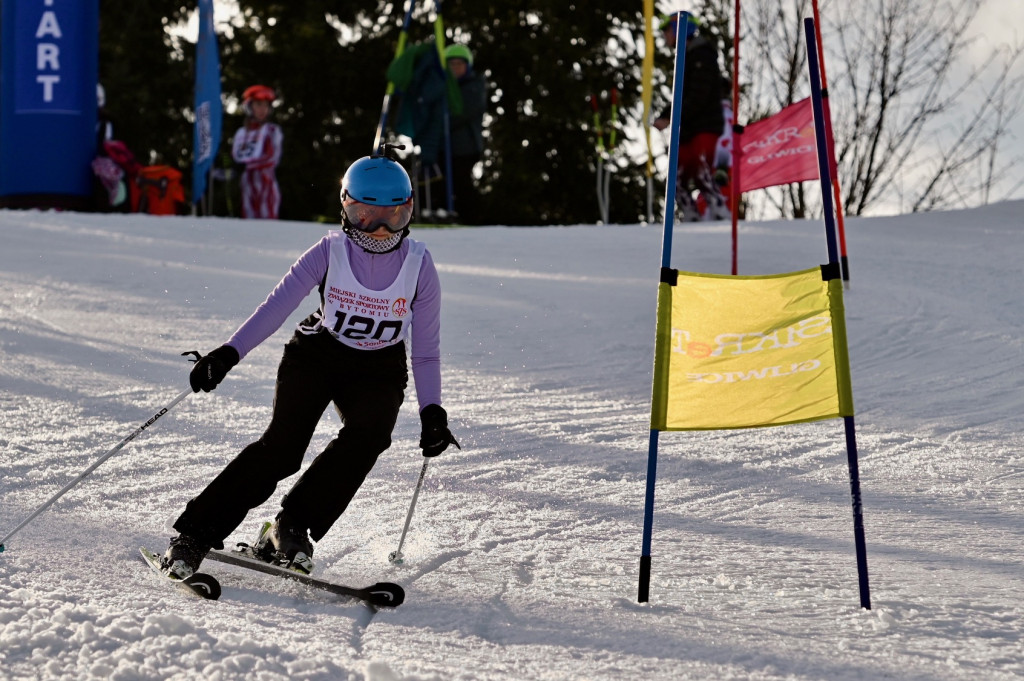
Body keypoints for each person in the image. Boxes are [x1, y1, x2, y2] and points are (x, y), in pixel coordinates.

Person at [160, 153, 460, 579]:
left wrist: (433, 411)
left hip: (379, 365)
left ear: (409, 210)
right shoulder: (328, 251)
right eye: (364, 214)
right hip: (317, 354)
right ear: (346, 208)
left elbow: (427, 351)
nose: (378, 230)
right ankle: (193, 535)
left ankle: (291, 526)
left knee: (370, 435)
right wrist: (229, 353)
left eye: (392, 216)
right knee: (281, 449)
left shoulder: (418, 265)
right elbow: (275, 307)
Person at [653, 14, 729, 222]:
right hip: (687, 128)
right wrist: (664, 115)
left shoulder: (702, 56)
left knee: (701, 169)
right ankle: (692, 217)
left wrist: (670, 118)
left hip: (704, 125)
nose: (665, 36)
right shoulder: (685, 58)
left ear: (679, 30)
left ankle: (720, 212)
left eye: (667, 30)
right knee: (675, 179)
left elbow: (698, 94)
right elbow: (680, 95)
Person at [441, 44, 487, 224]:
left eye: (460, 64)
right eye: (451, 64)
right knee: (441, 181)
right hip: (445, 146)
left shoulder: (474, 86)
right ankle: (445, 213)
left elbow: (462, 112)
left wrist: (443, 121)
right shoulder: (443, 87)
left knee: (461, 181)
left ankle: (471, 219)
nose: (455, 68)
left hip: (465, 146)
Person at [232, 84, 283, 219]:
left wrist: (247, 165)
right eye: (258, 104)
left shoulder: (272, 130)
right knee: (248, 222)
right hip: (246, 182)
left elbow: (272, 158)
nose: (263, 109)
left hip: (265, 182)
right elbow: (236, 158)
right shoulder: (241, 133)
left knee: (267, 221)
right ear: (249, 106)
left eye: (266, 105)